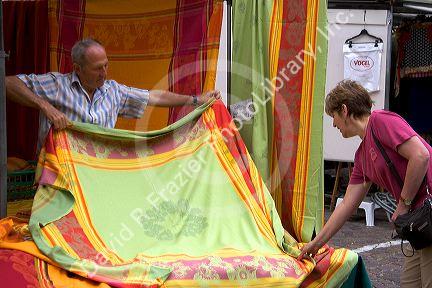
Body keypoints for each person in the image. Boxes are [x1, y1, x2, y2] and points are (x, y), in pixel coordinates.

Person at [298, 80, 432, 287]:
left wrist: (403, 203)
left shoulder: (381, 121)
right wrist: (316, 244)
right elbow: (346, 205)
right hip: (418, 224)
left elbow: (421, 155)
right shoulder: (361, 156)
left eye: (333, 117)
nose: (334, 125)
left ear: (344, 110)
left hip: (426, 215)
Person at [5, 38, 220, 153]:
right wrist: (45, 106)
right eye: (98, 68)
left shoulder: (114, 91)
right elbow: (7, 83)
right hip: (61, 175)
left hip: (99, 171)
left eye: (106, 66)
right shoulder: (57, 85)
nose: (104, 73)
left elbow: (155, 97)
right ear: (78, 69)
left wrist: (196, 100)